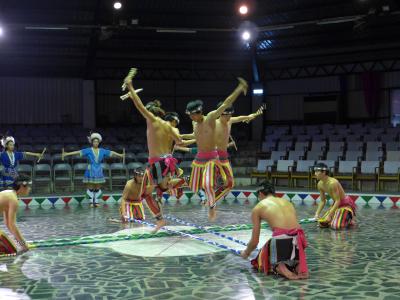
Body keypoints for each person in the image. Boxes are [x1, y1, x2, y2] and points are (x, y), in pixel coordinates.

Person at [123, 68, 183, 232]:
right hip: (167, 162)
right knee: (160, 188)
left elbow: (138, 104)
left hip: (157, 162)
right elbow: (180, 141)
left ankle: (160, 219)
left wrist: (130, 86)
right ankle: (183, 185)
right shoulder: (171, 128)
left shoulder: (153, 120)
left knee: (146, 194)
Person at [185, 77, 248, 220]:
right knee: (194, 187)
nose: (190, 117)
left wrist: (239, 88)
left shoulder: (210, 118)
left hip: (212, 159)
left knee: (207, 184)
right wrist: (178, 139)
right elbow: (195, 137)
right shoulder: (195, 125)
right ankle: (206, 197)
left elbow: (225, 104)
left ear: (197, 113)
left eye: (191, 115)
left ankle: (212, 207)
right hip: (199, 158)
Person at [240, 181, 309, 280]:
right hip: (298, 240)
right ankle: (297, 264)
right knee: (288, 243)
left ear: (260, 193)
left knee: (263, 255)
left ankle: (279, 266)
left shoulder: (258, 207)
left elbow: (255, 241)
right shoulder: (287, 202)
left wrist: (246, 253)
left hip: (281, 241)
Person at [214, 103, 265, 202]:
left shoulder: (230, 121)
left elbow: (240, 118)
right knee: (211, 181)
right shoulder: (214, 124)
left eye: (230, 115)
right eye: (228, 115)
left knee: (230, 183)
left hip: (223, 156)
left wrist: (251, 116)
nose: (230, 117)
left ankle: (212, 200)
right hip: (213, 155)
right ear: (221, 114)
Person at [62, 133, 125, 207]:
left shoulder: (102, 150)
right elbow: (78, 152)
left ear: (99, 143)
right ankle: (91, 202)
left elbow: (111, 152)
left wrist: (120, 155)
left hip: (98, 169)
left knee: (97, 187)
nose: (96, 143)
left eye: (97, 142)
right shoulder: (88, 150)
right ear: (92, 142)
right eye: (94, 141)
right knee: (91, 187)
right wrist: (67, 154)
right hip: (91, 169)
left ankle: (97, 201)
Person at [313, 162, 356, 229]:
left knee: (336, 226)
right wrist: (317, 214)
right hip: (336, 205)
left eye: (316, 172)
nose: (315, 174)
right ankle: (337, 217)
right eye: (315, 172)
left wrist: (330, 215)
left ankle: (349, 218)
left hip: (345, 205)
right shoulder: (320, 184)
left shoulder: (333, 183)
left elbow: (337, 200)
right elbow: (322, 201)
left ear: (324, 172)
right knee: (322, 223)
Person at [0, 174, 32, 255]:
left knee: (9, 245)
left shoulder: (9, 194)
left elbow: (8, 224)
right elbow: (12, 225)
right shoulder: (13, 200)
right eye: (28, 186)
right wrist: (23, 245)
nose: (29, 189)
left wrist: (21, 243)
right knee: (10, 249)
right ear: (22, 186)